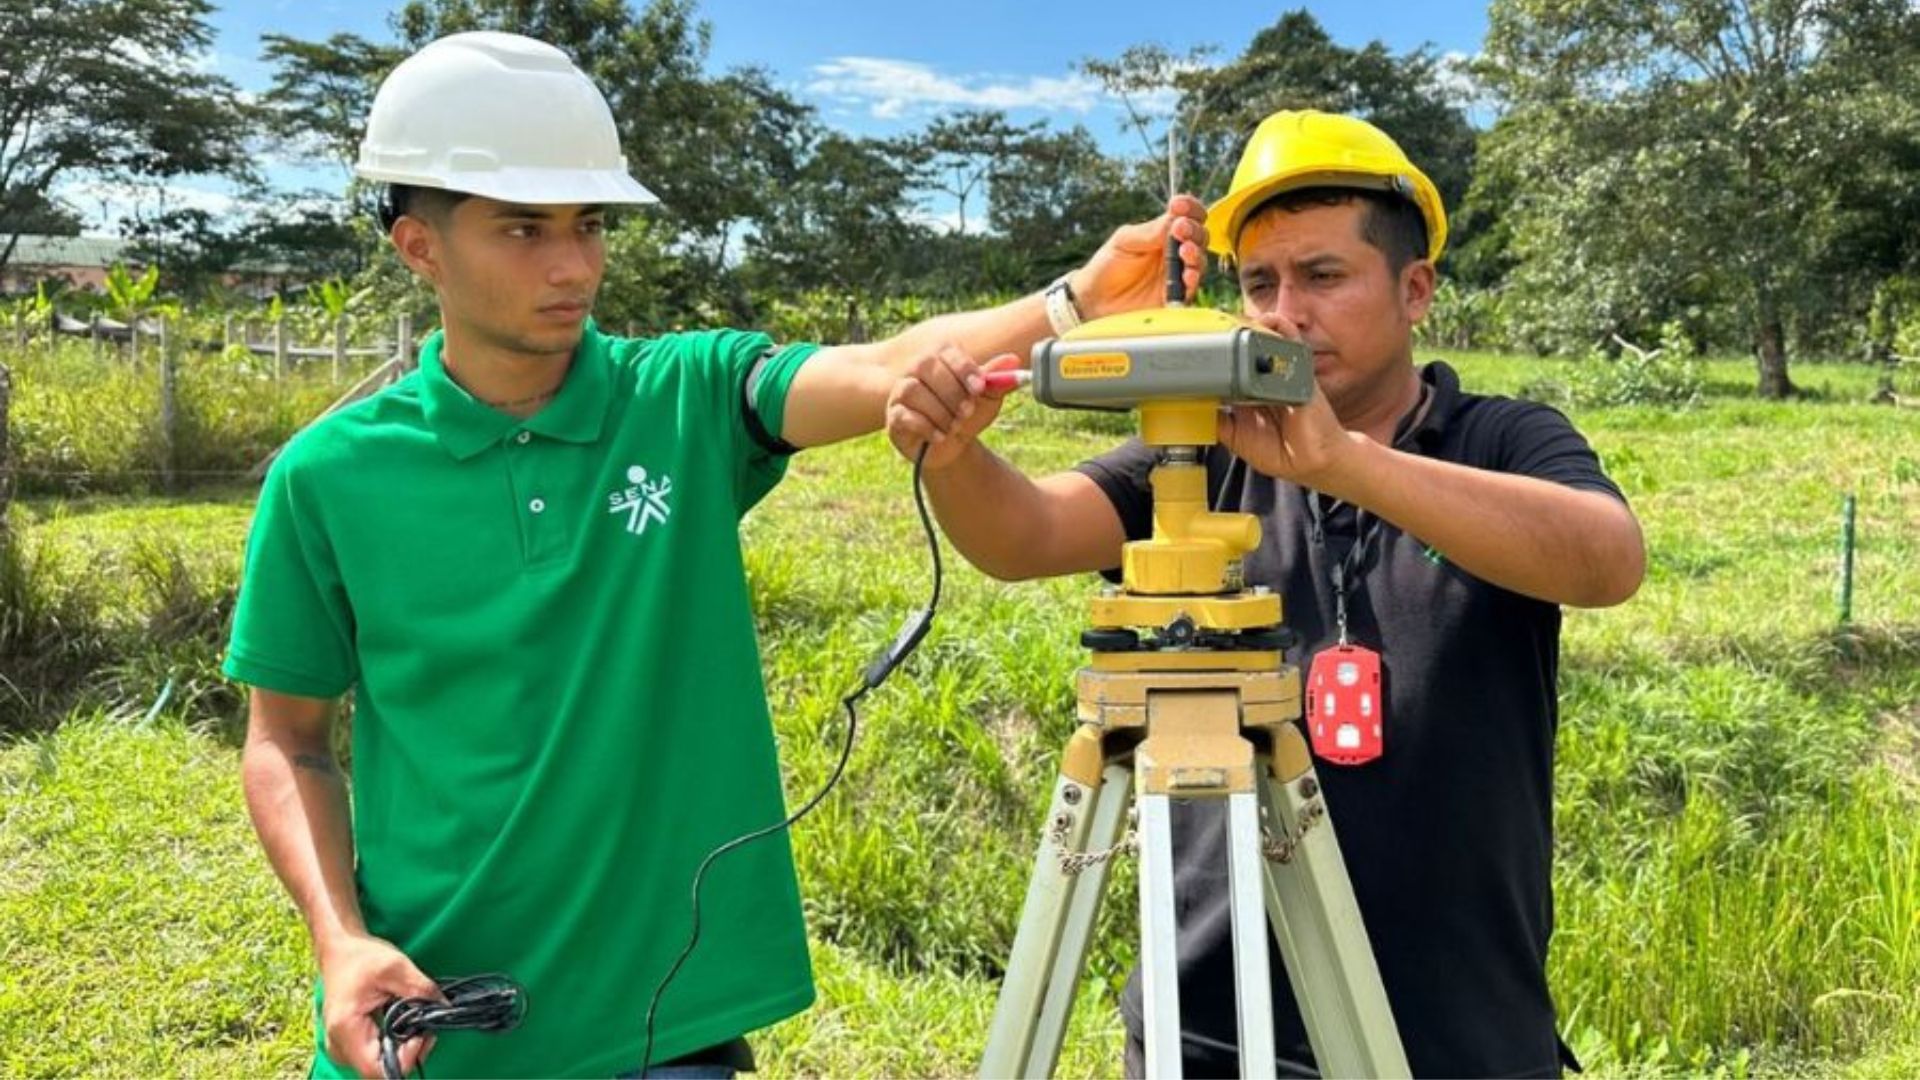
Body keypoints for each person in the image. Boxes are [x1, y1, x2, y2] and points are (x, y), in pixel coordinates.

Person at [226, 30, 1208, 1079]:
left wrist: (1078, 302)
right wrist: (339, 942)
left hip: (664, 1025)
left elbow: (880, 366)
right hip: (430, 1020)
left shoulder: (685, 398)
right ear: (419, 246)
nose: (574, 266)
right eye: (523, 229)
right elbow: (289, 742)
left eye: (589, 224)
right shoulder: (328, 478)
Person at [885, 109, 1647, 1077]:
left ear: (1416, 290)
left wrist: (1349, 465)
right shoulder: (1203, 447)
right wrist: (950, 455)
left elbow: (1607, 555)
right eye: (1259, 283)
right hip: (1207, 1037)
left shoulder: (1497, 439)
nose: (1284, 313)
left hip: (1453, 1041)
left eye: (1323, 277)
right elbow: (1025, 530)